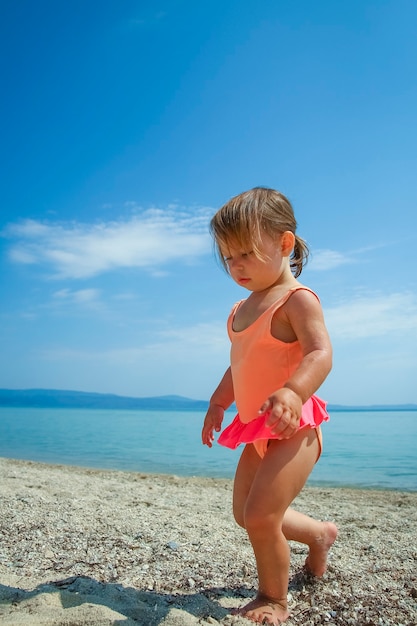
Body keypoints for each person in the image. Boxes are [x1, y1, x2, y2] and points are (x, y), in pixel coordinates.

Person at [202, 187, 338, 625]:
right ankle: (319, 535)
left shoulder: (296, 299)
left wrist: (293, 391)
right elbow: (239, 365)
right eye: (227, 257)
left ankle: (273, 598)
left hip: (295, 429)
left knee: (262, 515)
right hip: (257, 430)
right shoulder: (240, 310)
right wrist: (218, 402)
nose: (235, 265)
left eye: (245, 253)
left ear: (284, 244)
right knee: (247, 515)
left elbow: (321, 353)